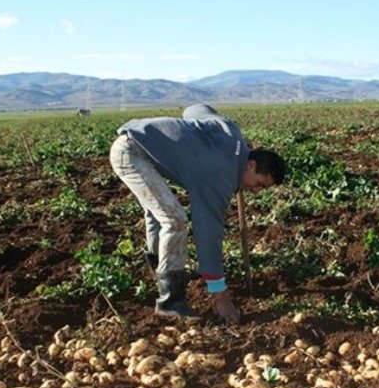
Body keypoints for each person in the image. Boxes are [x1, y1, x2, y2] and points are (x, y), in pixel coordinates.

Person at [110, 104, 285, 323]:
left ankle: (160, 270)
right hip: (131, 154)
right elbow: (208, 234)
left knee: (158, 211)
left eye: (263, 189)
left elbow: (194, 110)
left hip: (141, 144)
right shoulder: (219, 176)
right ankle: (170, 301)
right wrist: (220, 296)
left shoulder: (231, 131)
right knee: (174, 219)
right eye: (259, 184)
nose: (256, 191)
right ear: (250, 165)